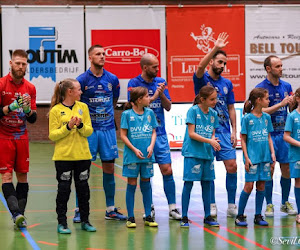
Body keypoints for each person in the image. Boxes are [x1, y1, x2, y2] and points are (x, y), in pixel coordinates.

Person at [127, 53, 181, 220]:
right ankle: (148, 207)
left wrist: (163, 94)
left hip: (160, 134)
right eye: (154, 67)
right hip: (142, 136)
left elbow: (169, 107)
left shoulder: (161, 82)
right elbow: (136, 106)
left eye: (158, 66)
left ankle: (172, 208)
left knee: (167, 170)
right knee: (145, 174)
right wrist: (155, 95)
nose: (158, 69)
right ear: (145, 67)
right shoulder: (134, 83)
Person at [76, 45, 126, 221]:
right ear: (90, 57)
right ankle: (79, 210)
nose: (102, 56)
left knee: (110, 168)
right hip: (89, 131)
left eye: (104, 54)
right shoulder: (81, 80)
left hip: (107, 130)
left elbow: (114, 100)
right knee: (83, 171)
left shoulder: (112, 79)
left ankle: (110, 209)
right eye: (98, 54)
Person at [193, 33, 238, 217]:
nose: (222, 66)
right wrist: (214, 47)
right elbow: (199, 67)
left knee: (232, 166)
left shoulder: (227, 83)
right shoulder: (203, 80)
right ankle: (211, 204)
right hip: (206, 132)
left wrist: (235, 130)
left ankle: (231, 205)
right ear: (212, 61)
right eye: (219, 62)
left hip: (224, 131)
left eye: (225, 63)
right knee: (209, 169)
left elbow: (231, 108)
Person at [49, 78, 96, 234]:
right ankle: (62, 223)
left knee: (84, 190)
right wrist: (68, 127)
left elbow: (89, 131)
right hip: (63, 158)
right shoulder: (56, 110)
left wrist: (80, 125)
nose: (81, 92)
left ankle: (85, 221)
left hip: (83, 156)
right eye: (78, 89)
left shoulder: (83, 107)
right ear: (70, 92)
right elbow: (53, 135)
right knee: (64, 191)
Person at [0, 49, 37, 229]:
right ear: (11, 64)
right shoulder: (1, 84)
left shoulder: (30, 88)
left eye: (24, 64)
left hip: (21, 137)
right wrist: (10, 107)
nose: (21, 67)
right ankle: (16, 214)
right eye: (18, 63)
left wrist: (28, 110)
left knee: (22, 176)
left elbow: (33, 119)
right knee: (6, 176)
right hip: (4, 136)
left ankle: (20, 215)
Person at [256, 55, 296, 217]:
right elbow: (259, 111)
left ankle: (285, 202)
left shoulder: (287, 86)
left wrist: (292, 105)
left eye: (281, 65)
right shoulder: (261, 88)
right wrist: (280, 104)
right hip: (269, 135)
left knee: (286, 168)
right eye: (278, 66)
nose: (281, 68)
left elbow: (292, 111)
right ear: (268, 69)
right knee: (269, 169)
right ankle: (269, 204)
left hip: (284, 134)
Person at [235, 88, 276, 227]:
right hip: (252, 158)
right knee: (248, 186)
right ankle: (240, 215)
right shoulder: (247, 118)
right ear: (259, 100)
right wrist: (246, 157)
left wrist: (272, 153)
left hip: (265, 157)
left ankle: (258, 215)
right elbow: (243, 139)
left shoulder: (267, 118)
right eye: (266, 98)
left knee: (262, 185)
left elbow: (269, 136)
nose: (269, 101)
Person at [181, 86, 220, 228]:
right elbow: (191, 134)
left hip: (207, 153)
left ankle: (208, 216)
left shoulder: (214, 113)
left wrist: (214, 140)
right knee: (189, 184)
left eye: (215, 98)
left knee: (207, 184)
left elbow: (212, 132)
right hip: (192, 153)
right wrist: (210, 141)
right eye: (212, 99)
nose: (215, 101)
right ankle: (184, 217)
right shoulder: (193, 111)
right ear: (202, 99)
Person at [120, 86, 158, 228]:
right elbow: (123, 135)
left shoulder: (150, 113)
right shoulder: (127, 115)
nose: (150, 98)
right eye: (147, 96)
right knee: (131, 184)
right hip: (132, 156)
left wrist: (151, 146)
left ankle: (148, 215)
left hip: (147, 155)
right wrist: (134, 149)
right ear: (139, 100)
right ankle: (130, 217)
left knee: (146, 183)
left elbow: (154, 132)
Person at [284, 87, 300, 223]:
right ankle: (299, 213)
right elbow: (286, 136)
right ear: (298, 99)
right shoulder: (292, 116)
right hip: (296, 155)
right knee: (299, 181)